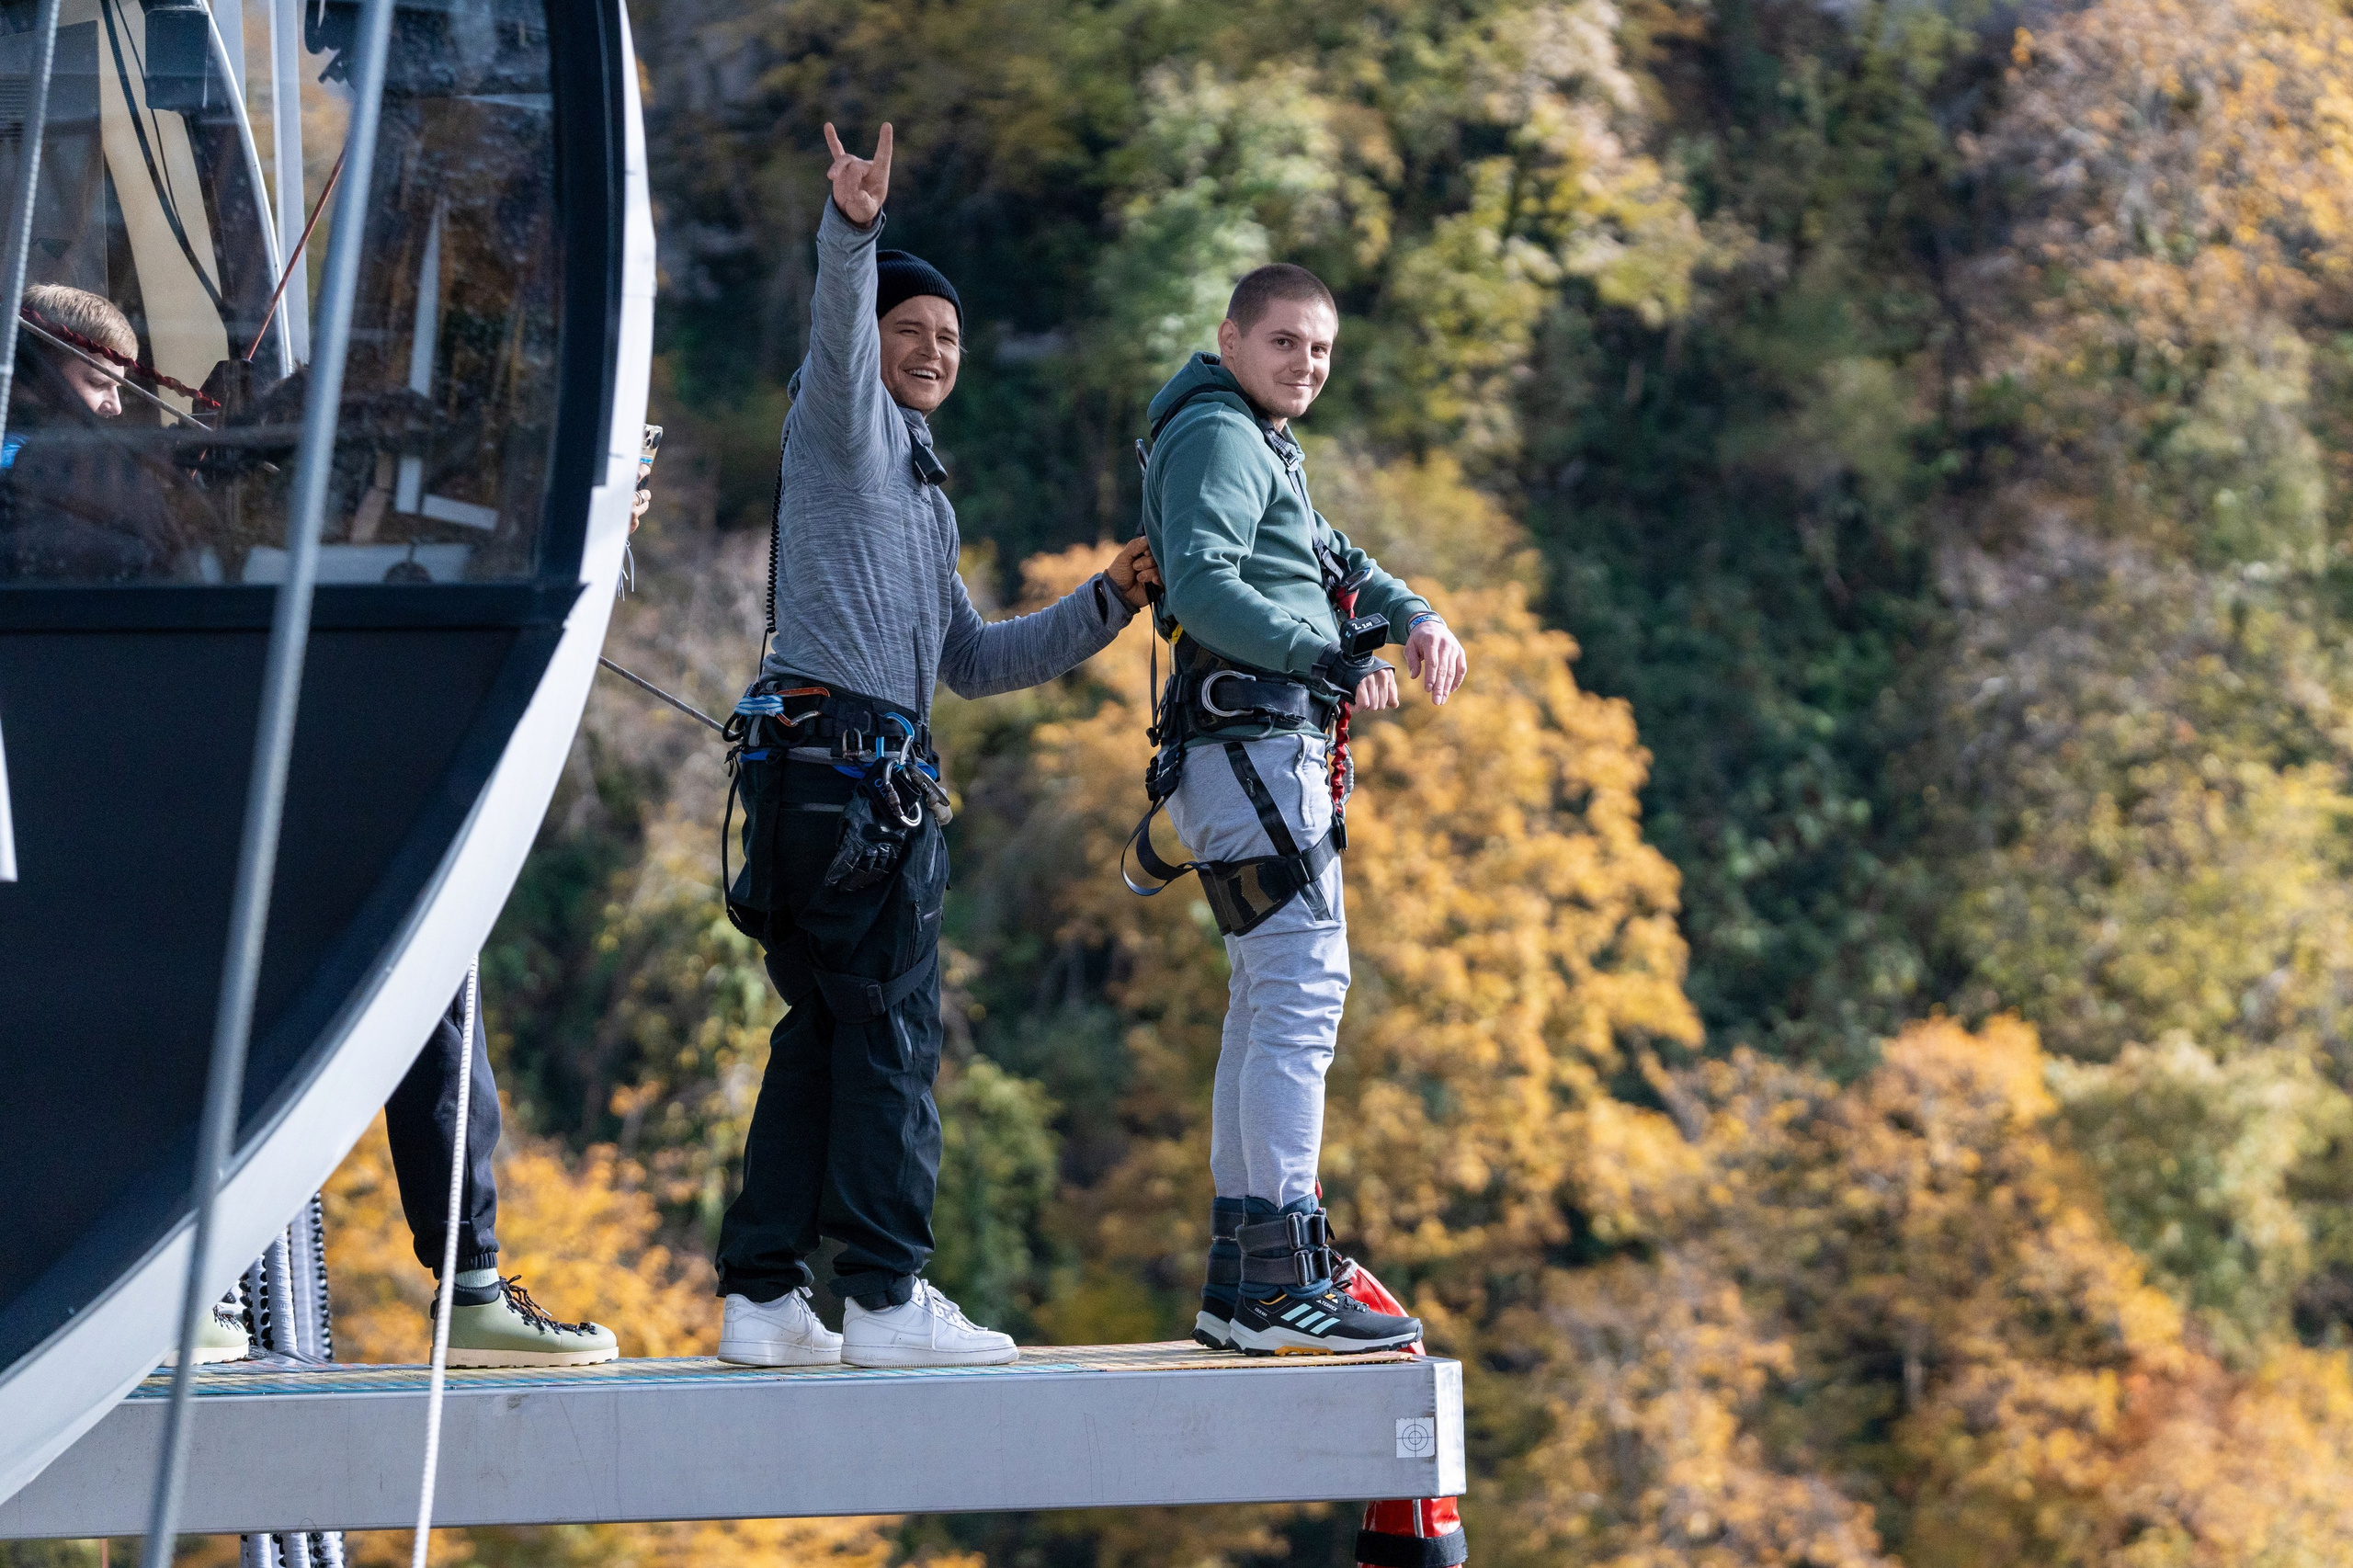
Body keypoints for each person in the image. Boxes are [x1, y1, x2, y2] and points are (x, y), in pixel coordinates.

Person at [713, 122, 1160, 1370]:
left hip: (816, 781)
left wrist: (1110, 596)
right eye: (911, 330)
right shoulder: (843, 427)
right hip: (854, 780)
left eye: (950, 340)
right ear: (871, 347)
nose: (933, 350)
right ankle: (887, 1296)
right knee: (897, 1035)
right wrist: (853, 233)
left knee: (825, 1032)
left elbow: (970, 658)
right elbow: (841, 339)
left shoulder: (920, 493)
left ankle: (761, 1295)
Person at [1134, 263, 1468, 1355]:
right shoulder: (1220, 436)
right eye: (1284, 343)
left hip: (1243, 751)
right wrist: (1324, 654)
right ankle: (1279, 1277)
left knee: (1269, 993)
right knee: (1298, 994)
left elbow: (1331, 557)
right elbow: (1202, 583)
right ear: (1231, 340)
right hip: (1251, 744)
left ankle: (1245, 1274)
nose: (1305, 365)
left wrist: (1406, 613)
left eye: (1319, 349)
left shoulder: (1255, 439)